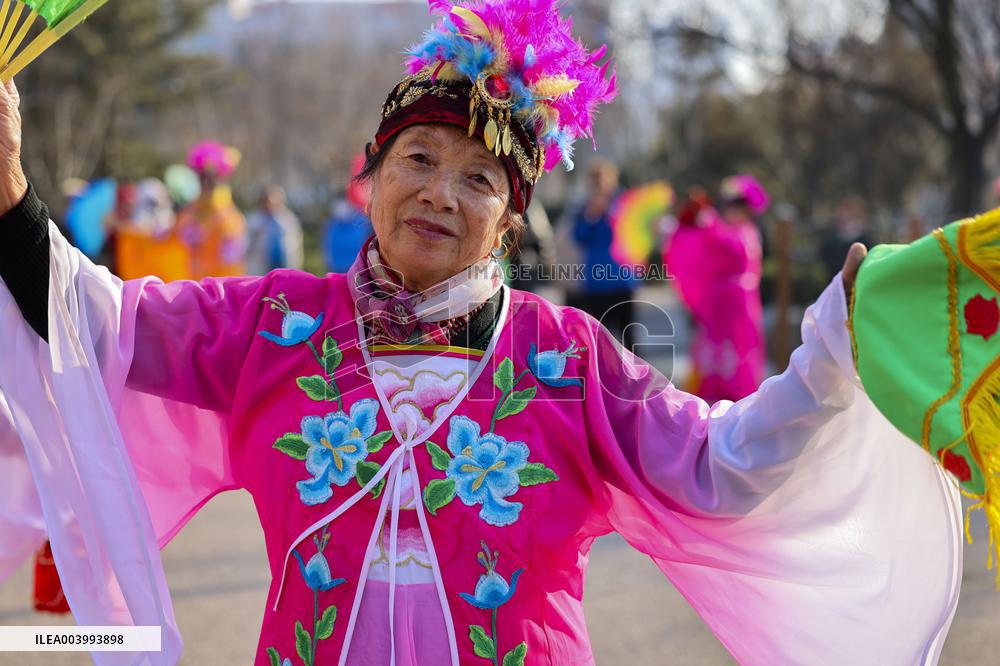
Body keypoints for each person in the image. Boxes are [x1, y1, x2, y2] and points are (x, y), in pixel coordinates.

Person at [0, 1, 962, 665]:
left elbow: (723, 466)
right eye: (417, 158)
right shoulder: (274, 327)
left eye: (479, 179)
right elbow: (93, 323)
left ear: (509, 220)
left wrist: (830, 352)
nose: (439, 192)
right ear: (369, 178)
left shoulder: (570, 361)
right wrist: (8, 180)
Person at [666, 175, 768, 402]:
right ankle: (712, 387)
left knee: (739, 343)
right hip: (718, 299)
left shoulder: (747, 233)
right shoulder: (723, 229)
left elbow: (733, 249)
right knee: (714, 342)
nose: (732, 211)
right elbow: (701, 249)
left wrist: (709, 222)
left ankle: (740, 389)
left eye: (737, 206)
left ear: (747, 210)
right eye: (729, 206)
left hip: (740, 301)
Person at [569, 159, 640, 350]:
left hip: (622, 280)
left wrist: (611, 214)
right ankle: (603, 378)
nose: (599, 185)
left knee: (630, 336)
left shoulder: (623, 204)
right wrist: (590, 216)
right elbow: (577, 237)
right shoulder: (584, 208)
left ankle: (637, 378)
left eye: (603, 180)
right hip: (596, 283)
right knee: (600, 341)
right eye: (595, 181)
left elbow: (633, 232)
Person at [176, 140, 247, 279]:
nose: (206, 182)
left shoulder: (226, 209)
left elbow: (232, 247)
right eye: (202, 177)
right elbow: (180, 236)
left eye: (211, 177)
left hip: (221, 280)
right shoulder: (192, 208)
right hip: (195, 277)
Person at [324, 154, 374, 274]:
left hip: (357, 271)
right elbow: (327, 247)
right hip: (337, 270)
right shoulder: (332, 223)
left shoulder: (364, 221)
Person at [246, 186, 304, 276]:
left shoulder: (288, 218)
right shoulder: (255, 219)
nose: (271, 205)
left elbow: (296, 242)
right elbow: (247, 243)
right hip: (262, 263)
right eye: (268, 202)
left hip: (284, 262)